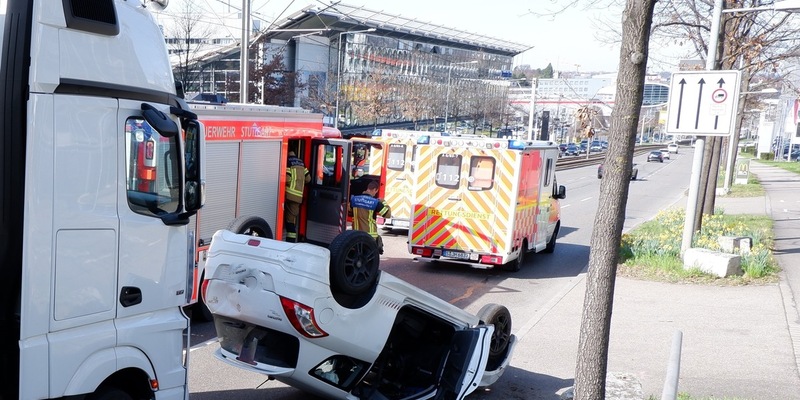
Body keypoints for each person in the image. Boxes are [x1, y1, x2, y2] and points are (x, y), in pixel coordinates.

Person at [349, 180, 391, 254]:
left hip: (355, 235)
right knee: (369, 259)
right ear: (375, 189)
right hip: (370, 237)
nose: (375, 194)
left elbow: (348, 211)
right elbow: (387, 215)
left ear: (367, 188)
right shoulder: (375, 202)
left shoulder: (354, 199)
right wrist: (383, 202)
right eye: (376, 192)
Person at [285, 150, 310, 242]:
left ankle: (290, 243)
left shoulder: (287, 161)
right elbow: (308, 179)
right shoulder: (301, 162)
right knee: (291, 219)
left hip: (288, 195)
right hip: (298, 197)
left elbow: (287, 179)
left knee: (289, 222)